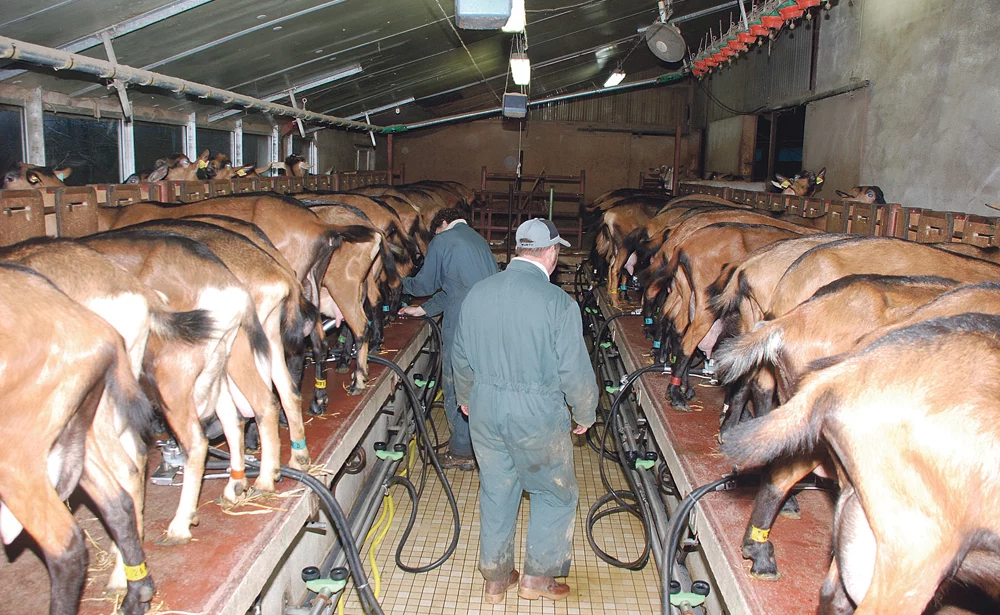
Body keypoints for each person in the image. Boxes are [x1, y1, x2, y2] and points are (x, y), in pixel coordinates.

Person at [452, 218, 598, 603]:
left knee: (497, 489)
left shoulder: (479, 293)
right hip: (536, 413)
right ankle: (537, 579)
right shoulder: (558, 303)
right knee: (553, 493)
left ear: (518, 250)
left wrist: (466, 396)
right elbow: (574, 369)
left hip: (484, 407)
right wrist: (586, 411)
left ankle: (496, 580)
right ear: (551, 253)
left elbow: (460, 354)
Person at [398, 207, 498, 470]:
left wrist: (397, 282)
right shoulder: (478, 241)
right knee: (477, 383)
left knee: (456, 382)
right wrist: (422, 309)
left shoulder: (444, 239)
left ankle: (461, 452)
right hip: (488, 321)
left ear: (443, 224)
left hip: (463, 322)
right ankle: (477, 446)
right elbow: (454, 288)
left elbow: (424, 285)